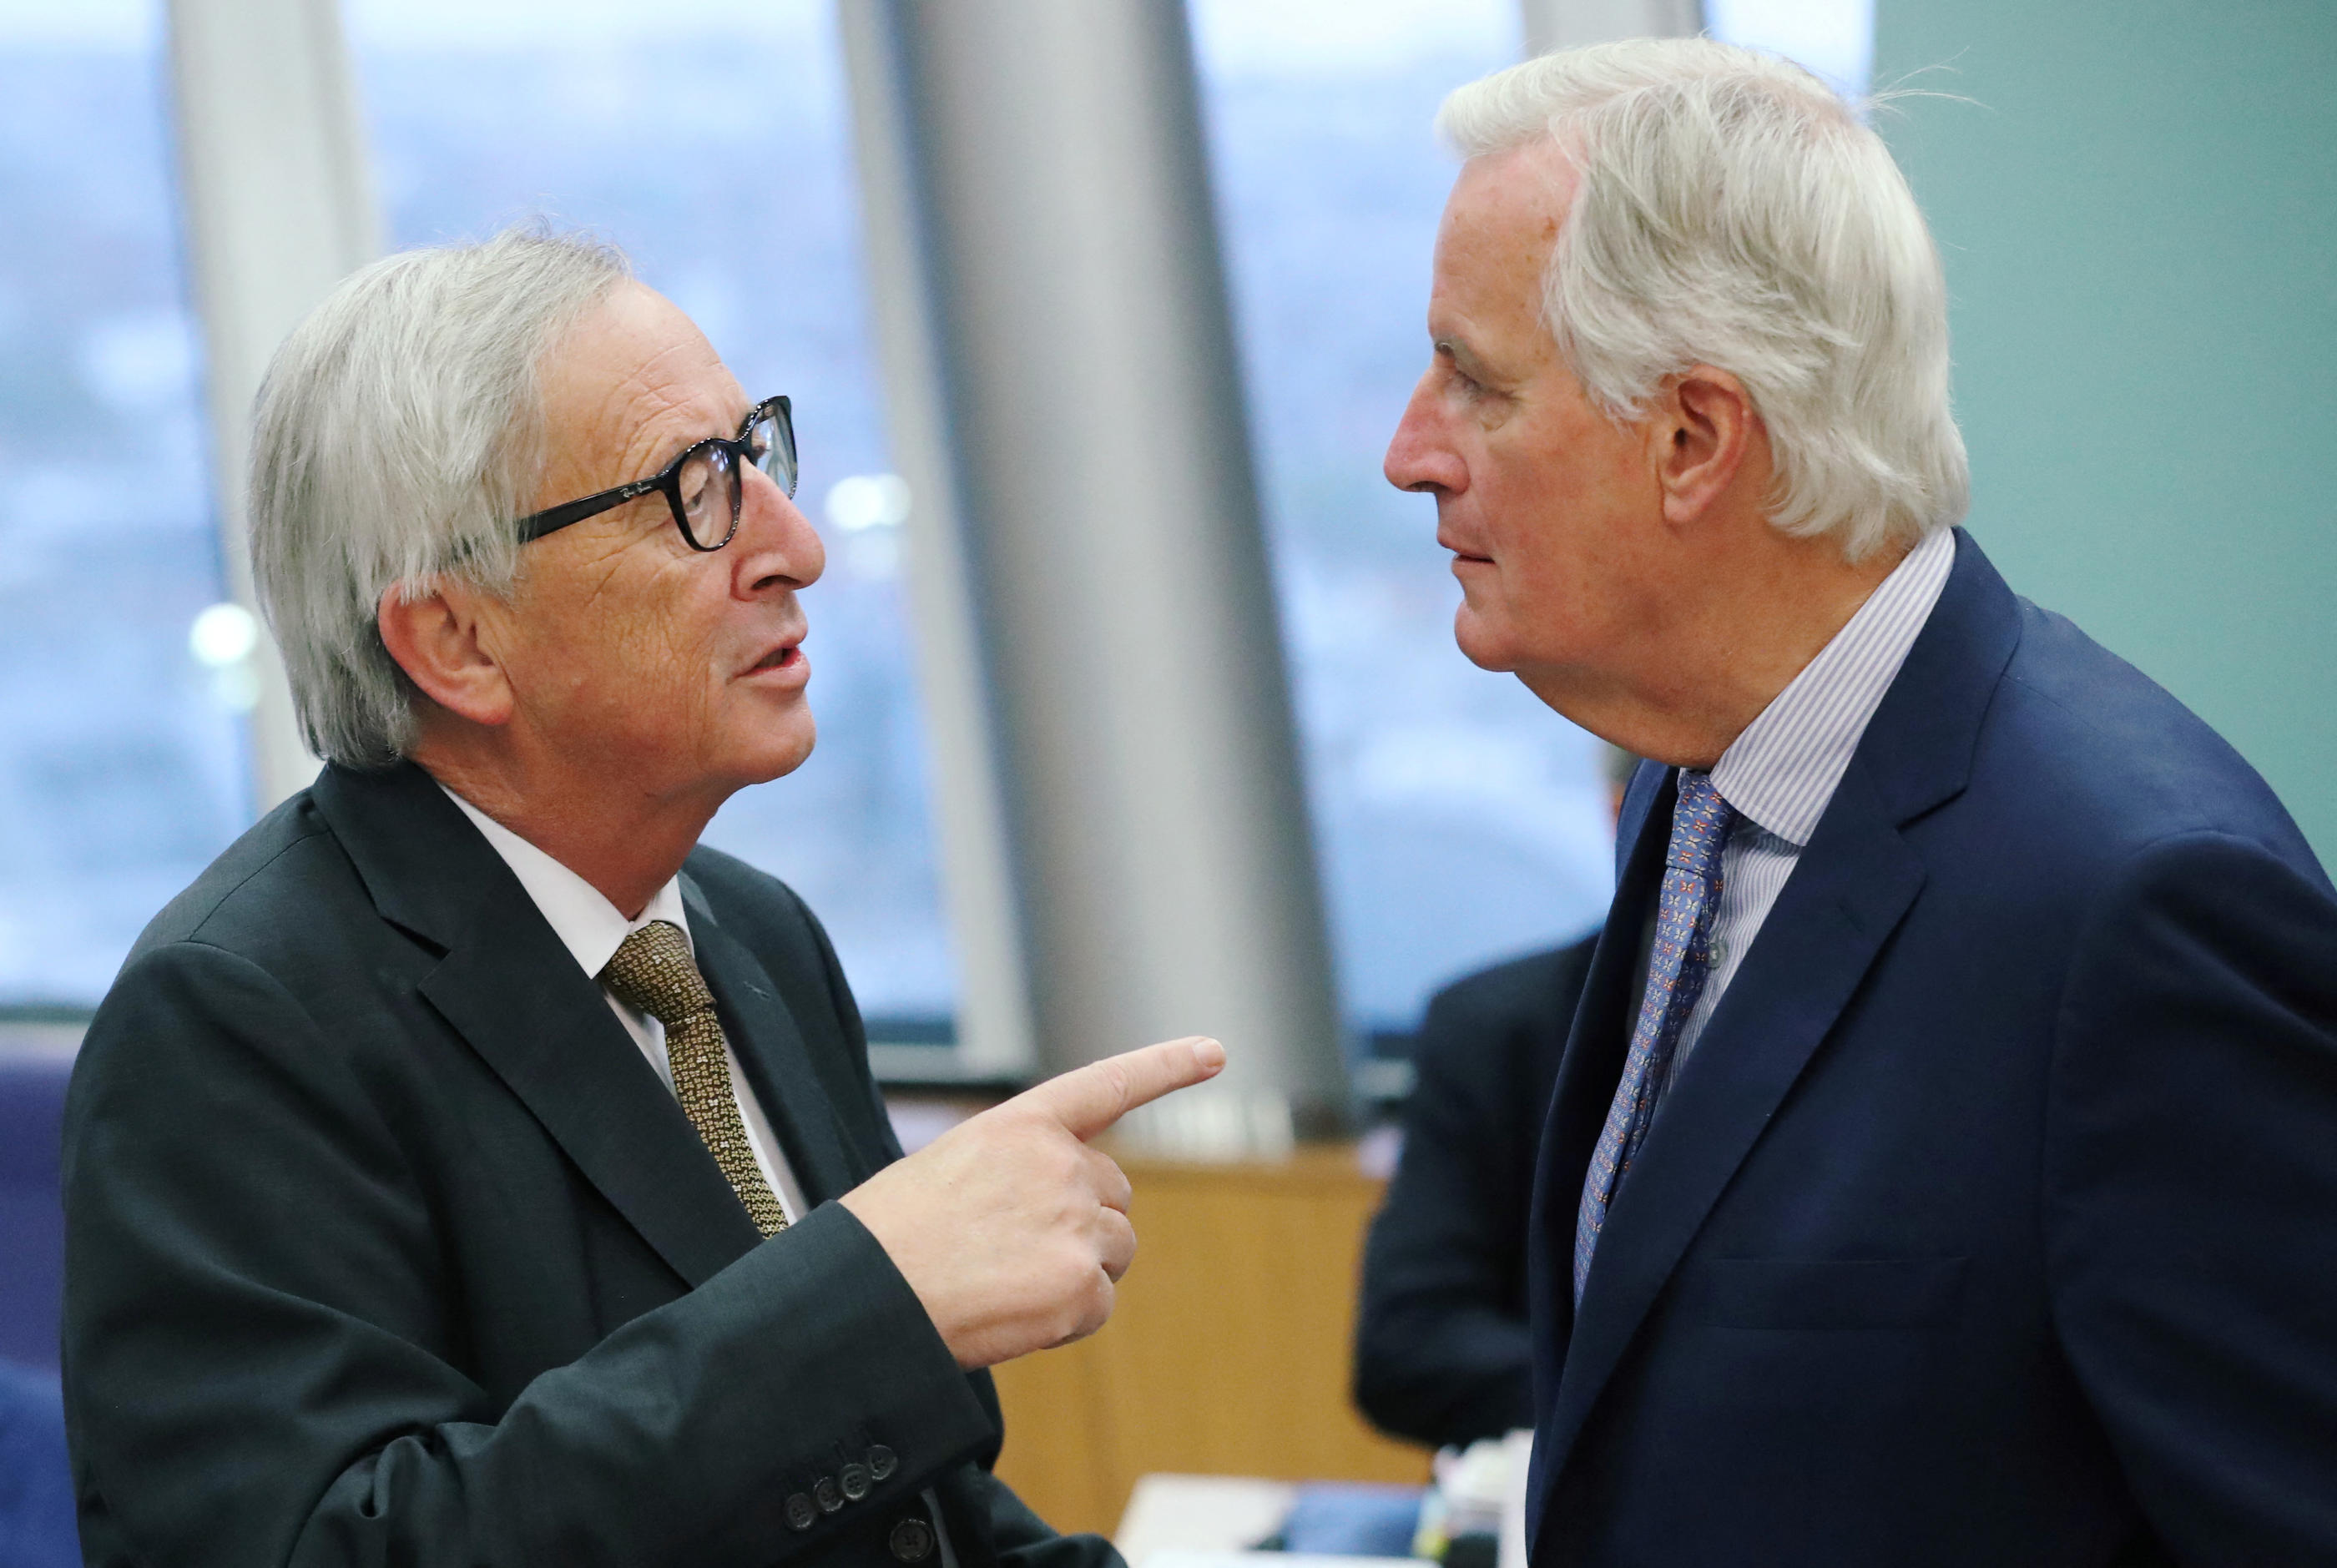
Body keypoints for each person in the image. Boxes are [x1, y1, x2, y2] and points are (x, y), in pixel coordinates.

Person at [60, 230, 1224, 1568]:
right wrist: (866, 1293)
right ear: (456, 638)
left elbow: (920, 1516)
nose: (795, 545)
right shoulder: (237, 1014)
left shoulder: (755, 933)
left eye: (754, 455)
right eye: (692, 489)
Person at [1382, 38, 2337, 1565]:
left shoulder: (2137, 906)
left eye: (1473, 381)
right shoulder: (1695, 791)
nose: (1408, 452)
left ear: (1694, 438)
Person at [1353, 749, 1630, 1450]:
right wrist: (1656, 1400)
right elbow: (1406, 1345)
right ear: (1625, 812)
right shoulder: (1497, 1027)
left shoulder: (1903, 1013)